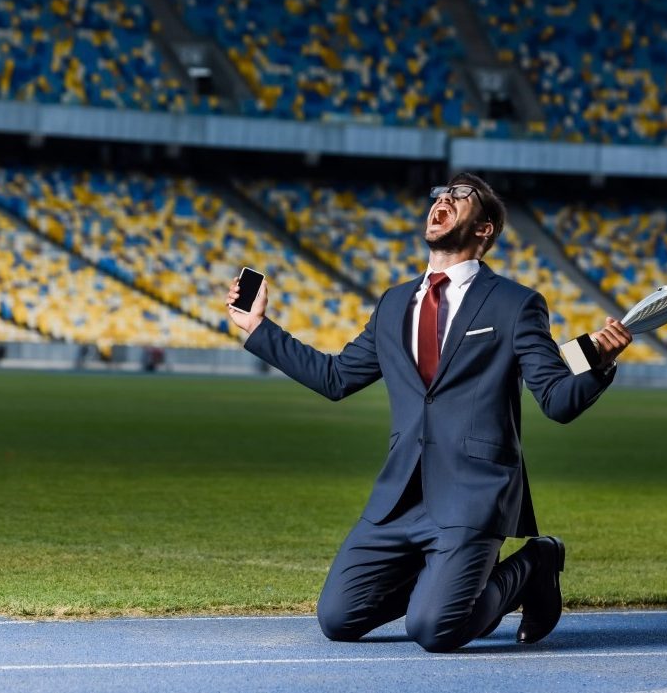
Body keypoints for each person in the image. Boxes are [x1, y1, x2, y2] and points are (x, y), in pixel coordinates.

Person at [224, 173, 632, 653]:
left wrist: (599, 366)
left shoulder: (516, 304)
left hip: (473, 495)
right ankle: (441, 580)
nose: (443, 201)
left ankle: (537, 563)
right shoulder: (395, 302)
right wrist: (257, 329)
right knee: (338, 618)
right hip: (400, 497)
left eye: (460, 198)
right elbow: (335, 379)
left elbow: (557, 401)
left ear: (484, 230)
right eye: (441, 195)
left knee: (434, 630)